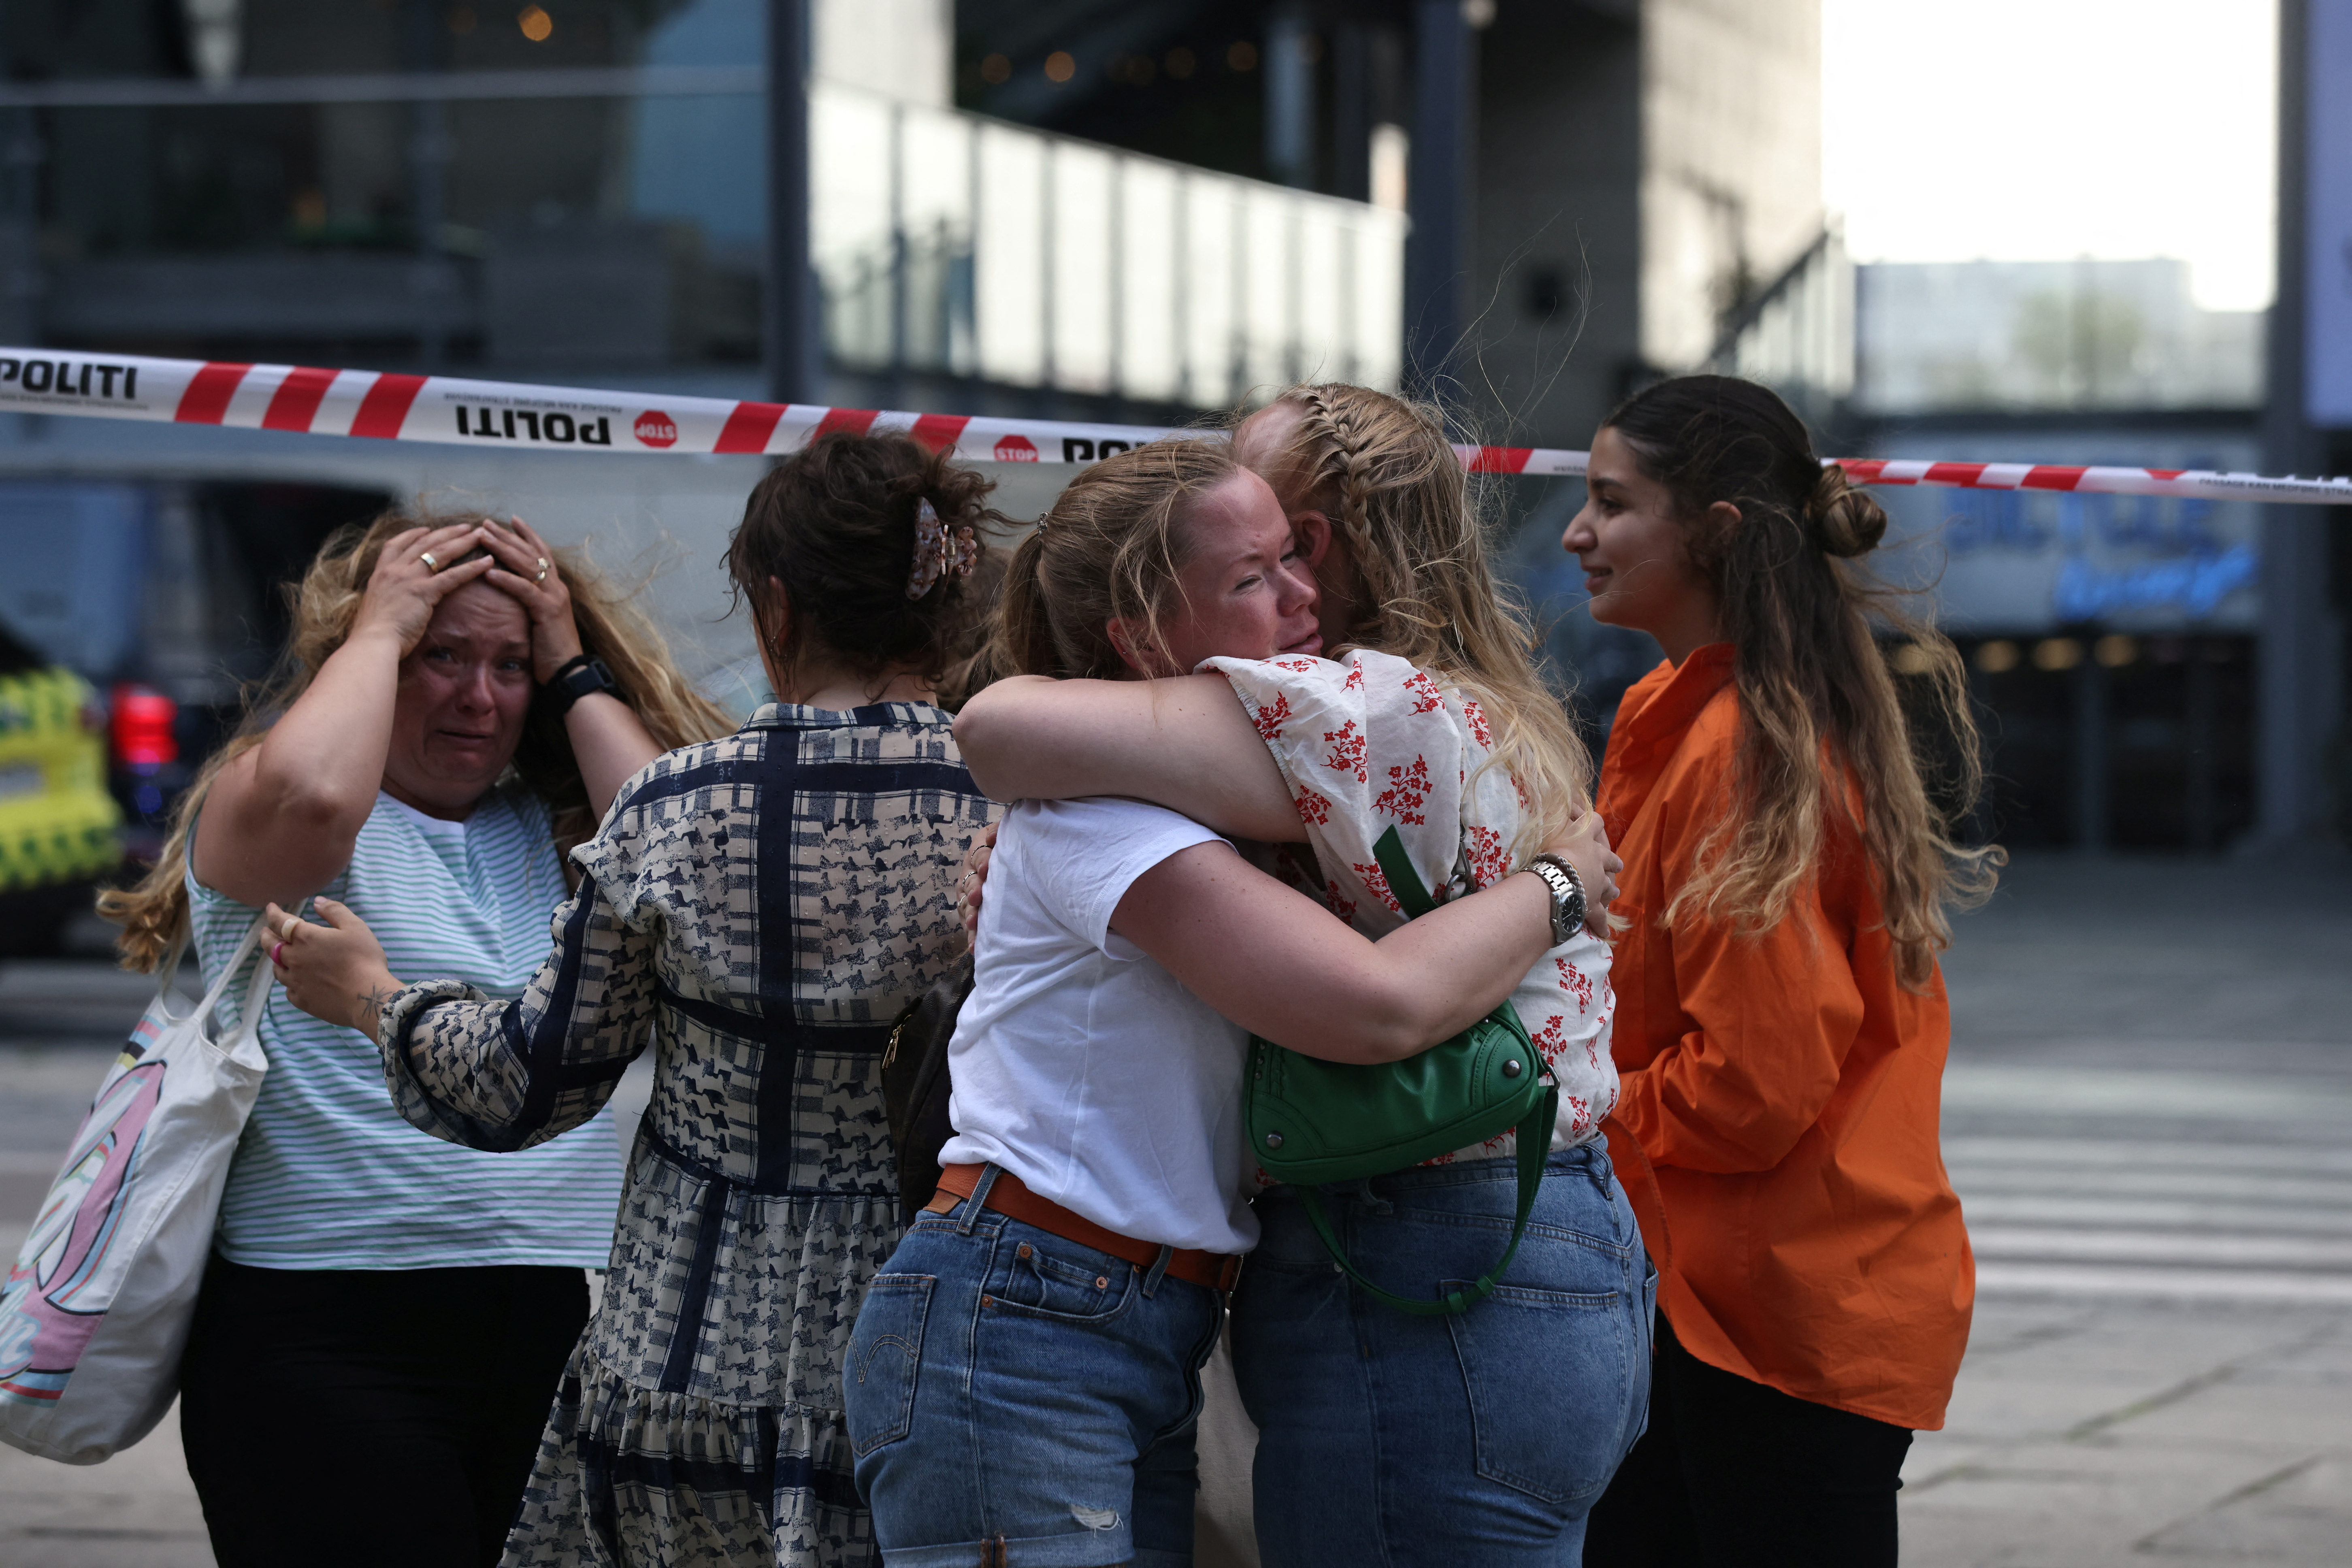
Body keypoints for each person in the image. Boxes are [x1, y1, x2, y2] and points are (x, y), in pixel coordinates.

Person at [845, 435, 1616, 1568]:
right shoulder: (1105, 816)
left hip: (1118, 1313)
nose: (1302, 597)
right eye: (1253, 578)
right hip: (1026, 1310)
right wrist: (1561, 885)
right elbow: (1375, 1006)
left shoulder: (1202, 800)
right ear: (1140, 638)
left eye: (1297, 560)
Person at [266, 432, 1002, 1568]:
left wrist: (376, 999)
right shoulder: (1021, 808)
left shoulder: (677, 807)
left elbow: (523, 1086)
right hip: (940, 1351)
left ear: (775, 609)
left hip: (684, 1360)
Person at [96, 511, 727, 1566]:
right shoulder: (282, 802)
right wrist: (378, 631)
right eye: (443, 657)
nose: (478, 697)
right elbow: (312, 790)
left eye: (509, 666)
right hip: (323, 1338)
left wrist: (571, 663)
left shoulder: (555, 830)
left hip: (548, 1329)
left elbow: (689, 863)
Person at [1566, 376, 2001, 1568]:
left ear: (1713, 532)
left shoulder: (1742, 747)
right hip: (1723, 1298)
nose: (1576, 531)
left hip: (1769, 1319)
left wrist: (1559, 1108)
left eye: (1612, 502)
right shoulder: (1692, 713)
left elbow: (1748, 1088)